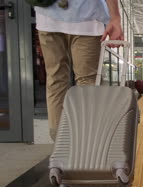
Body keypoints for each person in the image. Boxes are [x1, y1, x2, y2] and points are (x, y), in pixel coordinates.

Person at [35, 0, 124, 140]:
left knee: (56, 78)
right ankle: (86, 143)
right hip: (86, 17)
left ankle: (60, 143)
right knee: (88, 82)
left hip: (48, 16)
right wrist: (115, 17)